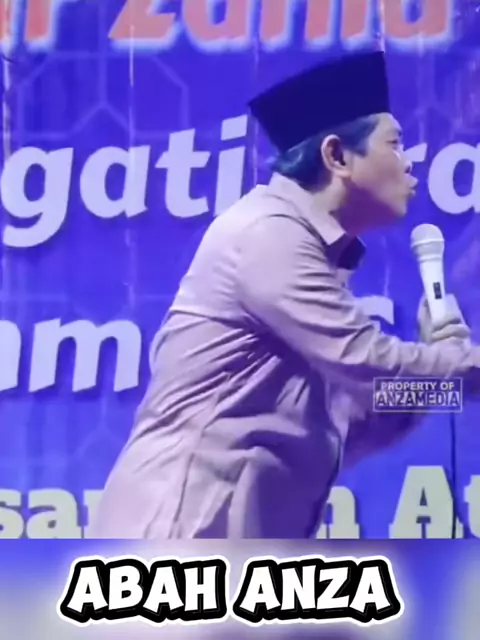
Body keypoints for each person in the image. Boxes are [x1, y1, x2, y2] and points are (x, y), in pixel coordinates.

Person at [91, 51, 480, 539]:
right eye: (395, 144)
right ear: (337, 156)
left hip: (238, 546)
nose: (409, 162)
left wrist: (444, 367)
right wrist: (461, 364)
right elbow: (369, 363)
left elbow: (352, 420)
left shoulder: (307, 252)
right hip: (177, 537)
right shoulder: (268, 232)